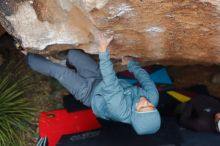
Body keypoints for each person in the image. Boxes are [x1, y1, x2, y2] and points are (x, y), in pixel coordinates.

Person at [23, 33, 161, 135]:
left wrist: (103, 50)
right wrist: (131, 64)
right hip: (100, 79)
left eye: (142, 108)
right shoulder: (152, 97)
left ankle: (27, 56)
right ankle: (67, 62)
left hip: (89, 94)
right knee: (74, 54)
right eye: (150, 106)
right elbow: (145, 79)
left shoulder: (120, 111)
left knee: (59, 72)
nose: (145, 101)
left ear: (135, 114)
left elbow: (111, 83)